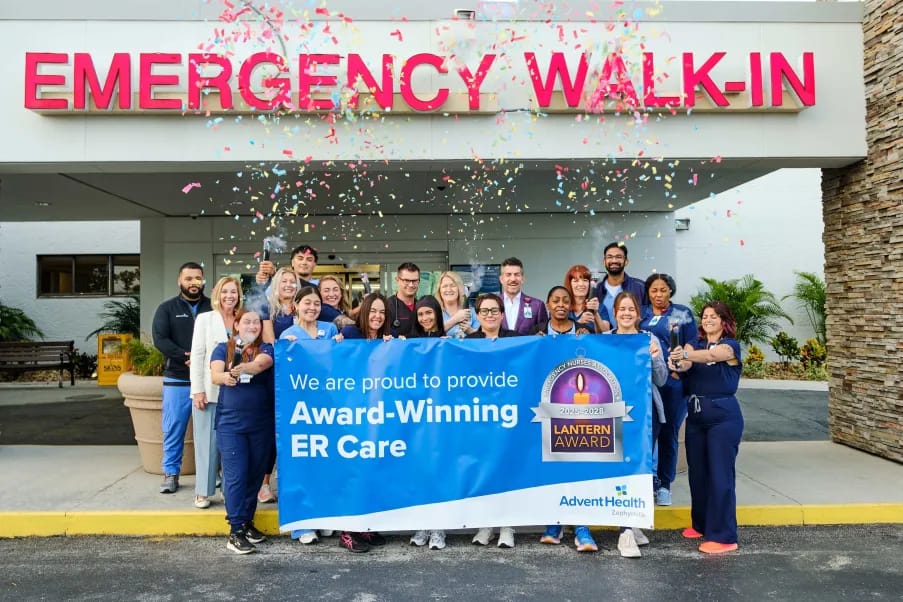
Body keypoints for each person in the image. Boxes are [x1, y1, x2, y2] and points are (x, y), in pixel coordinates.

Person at [668, 301, 744, 555]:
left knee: (720, 476)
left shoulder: (730, 346)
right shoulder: (695, 344)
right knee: (698, 475)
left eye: (714, 316)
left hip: (723, 417)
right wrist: (676, 362)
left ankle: (724, 536)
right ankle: (701, 524)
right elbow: (685, 364)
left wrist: (684, 355)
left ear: (724, 321)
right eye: (705, 316)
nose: (708, 319)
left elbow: (713, 356)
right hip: (696, 416)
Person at [533, 286, 598, 552]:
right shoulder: (535, 334)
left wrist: (591, 342)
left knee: (579, 467)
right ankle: (555, 522)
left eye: (565, 301)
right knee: (551, 467)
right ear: (548, 305)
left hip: (578, 412)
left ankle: (582, 527)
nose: (560, 304)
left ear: (572, 305)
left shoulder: (585, 333)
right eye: (555, 301)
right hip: (546, 410)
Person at [278, 286, 341, 545]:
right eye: (307, 303)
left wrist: (342, 348)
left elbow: (338, 365)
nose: (312, 308)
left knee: (326, 464)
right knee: (303, 466)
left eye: (316, 303)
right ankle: (303, 524)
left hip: (327, 408)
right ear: (296, 305)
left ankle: (324, 517)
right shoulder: (288, 335)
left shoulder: (330, 330)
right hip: (300, 411)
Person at [608, 291, 668, 558]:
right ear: (615, 313)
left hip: (645, 413)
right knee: (621, 468)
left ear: (638, 314)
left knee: (639, 468)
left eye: (631, 309)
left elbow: (662, 379)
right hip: (613, 412)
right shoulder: (604, 340)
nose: (626, 313)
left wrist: (654, 358)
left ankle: (629, 528)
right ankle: (627, 529)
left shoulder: (649, 339)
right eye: (622, 309)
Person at [210, 310, 274, 555]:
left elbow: (261, 364)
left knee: (254, 475)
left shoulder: (266, 348)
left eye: (256, 322)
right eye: (247, 321)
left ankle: (247, 523)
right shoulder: (222, 348)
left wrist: (245, 367)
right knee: (236, 476)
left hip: (261, 423)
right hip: (231, 424)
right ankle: (235, 531)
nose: (252, 326)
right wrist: (226, 376)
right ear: (236, 324)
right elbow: (215, 374)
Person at [152, 261, 212, 494]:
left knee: (210, 431)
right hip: (177, 378)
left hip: (208, 380)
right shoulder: (166, 308)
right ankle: (170, 473)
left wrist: (202, 361)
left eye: (197, 278)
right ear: (180, 281)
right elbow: (160, 339)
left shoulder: (213, 307)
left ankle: (213, 474)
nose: (193, 283)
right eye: (188, 278)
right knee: (173, 428)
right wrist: (186, 357)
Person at [639, 273, 698, 507]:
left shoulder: (681, 313)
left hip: (673, 382)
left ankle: (664, 484)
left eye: (663, 290)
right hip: (648, 383)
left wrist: (680, 366)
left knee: (668, 433)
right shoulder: (641, 313)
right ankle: (646, 481)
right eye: (654, 290)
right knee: (645, 434)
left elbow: (691, 342)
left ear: (670, 291)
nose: (658, 294)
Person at [467, 293, 520, 548]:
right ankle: (486, 524)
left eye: (494, 310)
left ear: (502, 313)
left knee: (506, 468)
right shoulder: (468, 342)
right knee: (484, 470)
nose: (489, 315)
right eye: (484, 311)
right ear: (477, 316)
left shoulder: (516, 339)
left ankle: (507, 526)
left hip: (509, 414)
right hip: (480, 416)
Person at [189, 276, 242, 509]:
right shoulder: (205, 319)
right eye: (225, 291)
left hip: (237, 393)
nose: (229, 296)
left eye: (234, 292)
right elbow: (197, 355)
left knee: (232, 447)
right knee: (206, 445)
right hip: (209, 392)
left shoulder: (243, 319)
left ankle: (229, 490)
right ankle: (203, 491)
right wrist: (197, 390)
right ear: (217, 295)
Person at [257, 267, 300, 504]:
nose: (288, 285)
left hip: (301, 378)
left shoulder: (303, 306)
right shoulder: (268, 308)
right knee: (273, 431)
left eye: (292, 281)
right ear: (276, 284)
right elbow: (269, 341)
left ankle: (291, 481)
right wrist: (286, 344)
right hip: (276, 376)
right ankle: (264, 484)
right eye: (284, 281)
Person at [408, 294, 447, 549]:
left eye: (429, 313)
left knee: (439, 472)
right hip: (417, 417)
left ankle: (439, 529)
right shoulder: (409, 343)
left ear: (437, 314)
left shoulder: (449, 342)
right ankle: (422, 525)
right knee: (420, 473)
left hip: (442, 417)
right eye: (420, 314)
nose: (424, 318)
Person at [592, 242, 646, 330]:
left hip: (634, 337)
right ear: (604, 261)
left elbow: (649, 316)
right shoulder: (596, 290)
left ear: (626, 261)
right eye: (610, 257)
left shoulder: (641, 287)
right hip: (603, 338)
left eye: (618, 257)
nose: (614, 261)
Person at [498, 257, 548, 335]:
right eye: (508, 275)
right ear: (501, 279)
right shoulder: (492, 304)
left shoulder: (537, 305)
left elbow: (543, 335)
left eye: (517, 275)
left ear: (522, 279)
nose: (513, 279)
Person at [563, 264, 609, 333]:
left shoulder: (600, 307)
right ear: (570, 284)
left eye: (585, 280)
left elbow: (606, 334)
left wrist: (596, 314)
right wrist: (579, 323)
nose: (581, 284)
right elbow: (558, 333)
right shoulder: (563, 308)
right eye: (576, 281)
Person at [435, 271, 478, 337]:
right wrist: (455, 319)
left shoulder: (472, 312)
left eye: (453, 286)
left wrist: (470, 331)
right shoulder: (435, 313)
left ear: (459, 289)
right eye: (444, 286)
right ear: (439, 290)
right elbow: (431, 335)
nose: (449, 289)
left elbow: (483, 337)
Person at [386, 262, 420, 338]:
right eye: (406, 280)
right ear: (397, 280)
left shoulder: (422, 306)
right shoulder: (387, 306)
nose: (411, 285)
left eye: (415, 281)